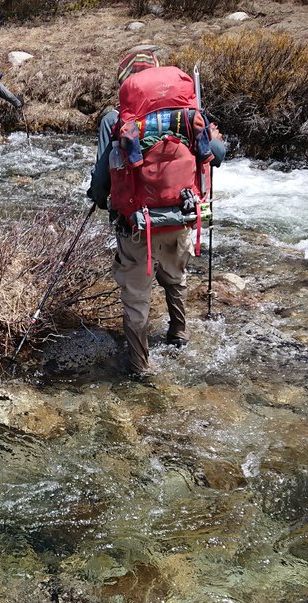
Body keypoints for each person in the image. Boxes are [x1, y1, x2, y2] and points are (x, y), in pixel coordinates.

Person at [88, 47, 227, 379]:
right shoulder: (188, 112)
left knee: (137, 297)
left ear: (126, 82)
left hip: (138, 224)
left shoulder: (115, 120)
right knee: (175, 276)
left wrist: (100, 199)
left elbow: (102, 179)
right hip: (183, 214)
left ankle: (140, 368)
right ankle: (179, 332)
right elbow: (218, 156)